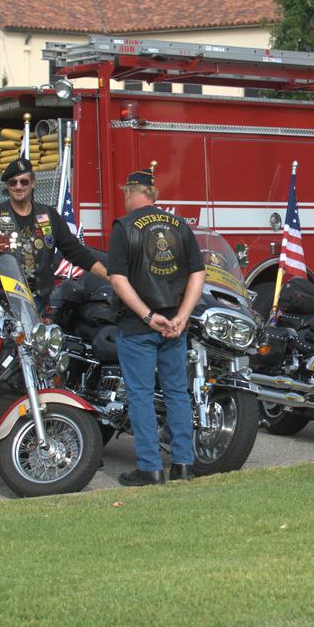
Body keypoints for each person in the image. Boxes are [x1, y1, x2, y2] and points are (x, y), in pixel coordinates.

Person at [107, 169, 205, 486]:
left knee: (141, 395)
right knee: (178, 393)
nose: (124, 198)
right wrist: (183, 315)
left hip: (139, 326)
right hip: (174, 324)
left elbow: (118, 279)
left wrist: (148, 317)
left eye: (126, 193)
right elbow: (198, 273)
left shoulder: (124, 227)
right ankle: (183, 464)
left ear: (132, 193)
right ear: (154, 195)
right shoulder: (180, 226)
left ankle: (150, 467)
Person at [0, 157, 106, 311]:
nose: (18, 187)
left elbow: (77, 252)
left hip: (41, 305)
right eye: (13, 182)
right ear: (7, 185)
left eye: (24, 181)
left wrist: (110, 276)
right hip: (3, 305)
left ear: (33, 183)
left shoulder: (49, 216)